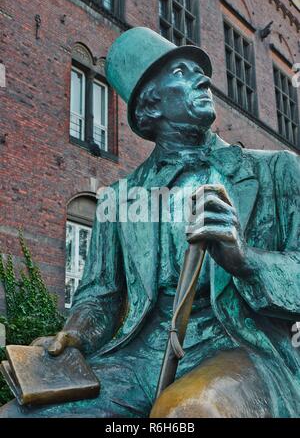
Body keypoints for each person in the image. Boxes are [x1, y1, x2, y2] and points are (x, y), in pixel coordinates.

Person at [1, 27, 300, 418]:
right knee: (18, 416)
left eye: (199, 70)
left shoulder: (276, 171)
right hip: (140, 356)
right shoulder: (117, 198)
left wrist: (245, 260)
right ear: (150, 107)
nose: (204, 78)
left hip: (238, 348)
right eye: (180, 73)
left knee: (188, 413)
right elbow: (100, 296)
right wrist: (76, 333)